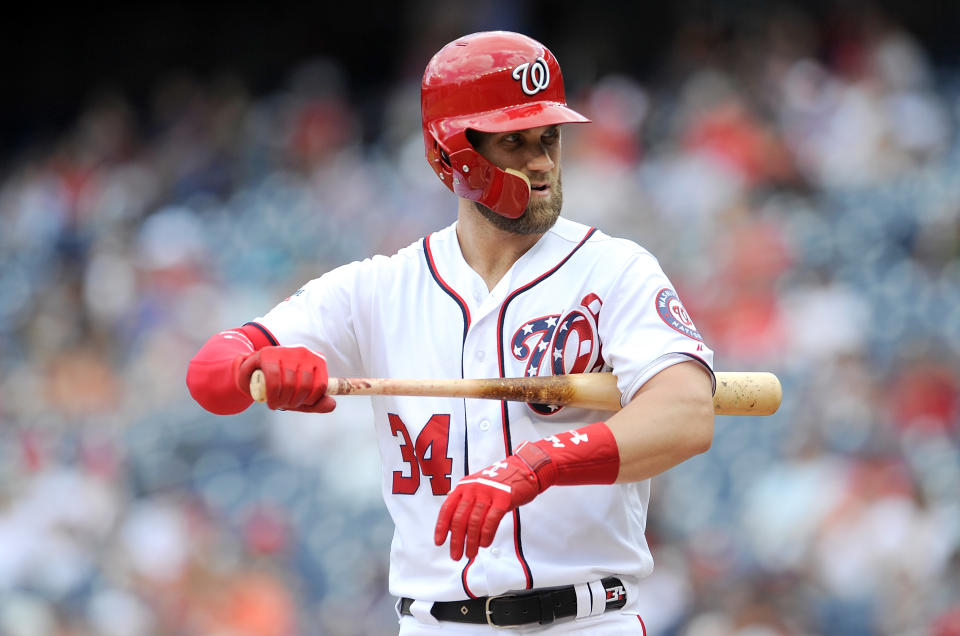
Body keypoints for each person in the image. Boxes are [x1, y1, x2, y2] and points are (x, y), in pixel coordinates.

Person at [186, 31, 715, 634]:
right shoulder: (378, 289)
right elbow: (207, 377)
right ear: (451, 154)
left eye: (549, 138)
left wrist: (541, 463)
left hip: (588, 621)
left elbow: (687, 413)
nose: (540, 161)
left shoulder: (615, 269)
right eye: (513, 142)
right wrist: (258, 366)